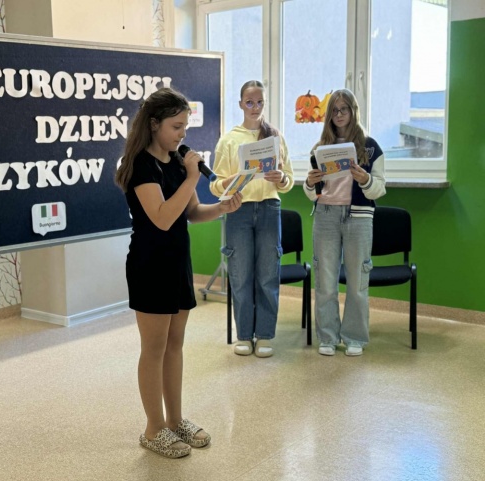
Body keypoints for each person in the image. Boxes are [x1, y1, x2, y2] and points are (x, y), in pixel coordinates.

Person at [115, 87, 242, 458]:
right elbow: (161, 217)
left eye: (185, 127)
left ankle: (175, 420)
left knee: (175, 345)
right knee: (153, 348)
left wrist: (222, 208)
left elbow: (191, 213)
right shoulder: (141, 165)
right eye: (176, 127)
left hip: (176, 262)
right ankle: (153, 428)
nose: (182, 134)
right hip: (149, 264)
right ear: (154, 124)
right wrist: (190, 177)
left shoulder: (175, 162)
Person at [209, 80, 294, 358]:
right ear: (240, 104)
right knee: (241, 274)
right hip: (239, 210)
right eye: (249, 102)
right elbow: (215, 185)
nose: (255, 107)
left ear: (264, 104)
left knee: (268, 274)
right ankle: (244, 335)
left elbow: (288, 181)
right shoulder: (229, 140)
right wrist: (229, 182)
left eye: (259, 102)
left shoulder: (275, 138)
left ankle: (265, 335)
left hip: (269, 208)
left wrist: (280, 178)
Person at [303, 88, 386, 357]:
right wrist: (310, 183)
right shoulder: (319, 148)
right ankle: (328, 337)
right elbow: (311, 193)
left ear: (353, 111)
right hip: (326, 215)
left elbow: (379, 189)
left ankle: (354, 337)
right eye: (334, 110)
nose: (339, 115)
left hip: (358, 217)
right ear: (329, 115)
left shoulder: (371, 147)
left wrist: (365, 179)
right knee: (325, 280)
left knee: (357, 281)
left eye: (344, 109)